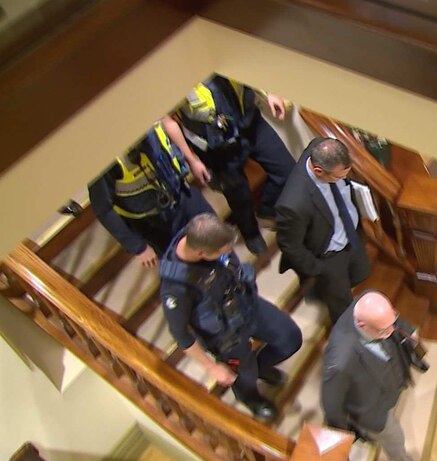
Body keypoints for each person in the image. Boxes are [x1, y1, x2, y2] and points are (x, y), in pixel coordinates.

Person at [159, 213, 302, 422]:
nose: (228, 253)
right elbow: (180, 334)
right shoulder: (176, 288)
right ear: (201, 252)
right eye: (221, 252)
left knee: (290, 338)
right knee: (244, 376)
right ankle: (251, 398)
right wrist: (211, 367)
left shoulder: (204, 231)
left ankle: (260, 366)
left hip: (245, 304)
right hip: (225, 334)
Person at [162, 74, 296, 255]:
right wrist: (192, 160)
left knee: (287, 170)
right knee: (239, 196)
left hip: (250, 124)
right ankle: (251, 234)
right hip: (216, 148)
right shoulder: (169, 78)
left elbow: (249, 64)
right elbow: (168, 120)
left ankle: (267, 210)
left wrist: (269, 92)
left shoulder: (216, 51)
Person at [321, 291, 431, 461]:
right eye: (384, 330)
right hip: (372, 409)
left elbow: (391, 323)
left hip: (390, 379)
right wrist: (343, 427)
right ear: (362, 325)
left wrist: (406, 328)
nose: (392, 332)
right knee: (395, 440)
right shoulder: (340, 361)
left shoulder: (366, 302)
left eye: (392, 323)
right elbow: (331, 402)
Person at [89, 121, 214, 267]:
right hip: (155, 224)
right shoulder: (102, 160)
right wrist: (138, 247)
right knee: (192, 268)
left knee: (217, 239)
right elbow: (102, 209)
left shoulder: (148, 121)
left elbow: (167, 128)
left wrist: (192, 160)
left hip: (182, 194)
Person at [274, 137, 370, 325]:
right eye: (338, 177)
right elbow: (290, 245)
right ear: (318, 171)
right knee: (340, 303)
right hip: (329, 255)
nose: (342, 180)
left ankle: (322, 290)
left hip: (350, 234)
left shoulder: (320, 146)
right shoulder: (293, 204)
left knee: (361, 272)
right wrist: (318, 269)